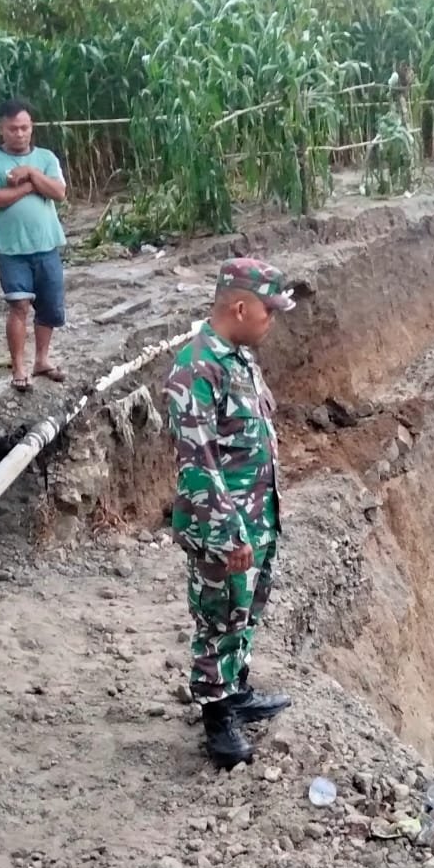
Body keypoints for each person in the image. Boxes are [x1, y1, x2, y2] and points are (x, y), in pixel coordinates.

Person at [164, 257, 296, 769]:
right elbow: (199, 463)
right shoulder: (197, 367)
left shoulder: (237, 357)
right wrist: (226, 534)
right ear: (240, 307)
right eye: (268, 310)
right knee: (219, 617)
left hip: (255, 515)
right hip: (224, 524)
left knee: (245, 610)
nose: (272, 320)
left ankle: (234, 690)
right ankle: (217, 719)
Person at [0, 99, 68, 392]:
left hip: (47, 245)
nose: (19, 133)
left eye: (24, 127)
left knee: (50, 308)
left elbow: (59, 192)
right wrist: (30, 187)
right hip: (12, 249)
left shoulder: (46, 158)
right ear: (0, 129)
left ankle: (42, 360)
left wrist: (31, 174)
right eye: (13, 128)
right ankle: (18, 367)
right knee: (19, 306)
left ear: (32, 128)